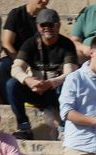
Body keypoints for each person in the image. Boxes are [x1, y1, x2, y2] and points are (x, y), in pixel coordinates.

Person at [4, 8, 76, 139]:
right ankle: (23, 126)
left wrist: (51, 83)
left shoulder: (67, 45)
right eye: (43, 25)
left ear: (58, 25)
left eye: (51, 24)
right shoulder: (30, 43)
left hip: (56, 92)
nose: (47, 28)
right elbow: (16, 68)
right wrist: (28, 80)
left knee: (68, 85)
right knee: (12, 84)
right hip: (35, 89)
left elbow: (70, 73)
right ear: (38, 27)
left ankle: (65, 128)